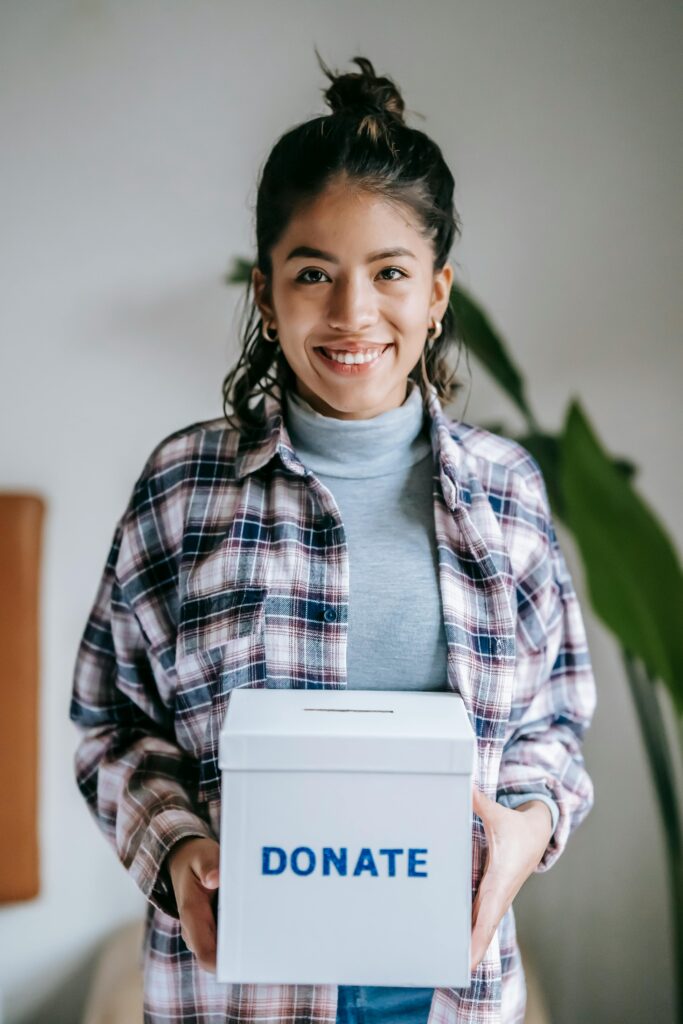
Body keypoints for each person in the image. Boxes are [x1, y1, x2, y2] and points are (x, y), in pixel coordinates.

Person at [69, 52, 597, 1024]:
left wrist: (530, 824)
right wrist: (179, 849)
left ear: (436, 292)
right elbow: (109, 723)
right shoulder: (182, 490)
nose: (352, 313)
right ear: (266, 295)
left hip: (449, 990)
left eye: (388, 273)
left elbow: (553, 725)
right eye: (313, 274)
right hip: (233, 995)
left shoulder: (506, 494)